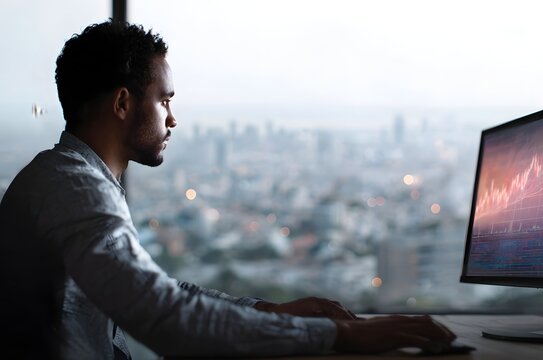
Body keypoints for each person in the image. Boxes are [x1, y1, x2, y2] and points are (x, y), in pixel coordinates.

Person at [0, 20, 455, 359]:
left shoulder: (74, 178)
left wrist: (267, 311)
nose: (172, 119)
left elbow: (152, 290)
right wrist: (342, 335)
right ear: (122, 103)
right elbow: (163, 316)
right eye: (165, 100)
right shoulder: (75, 186)